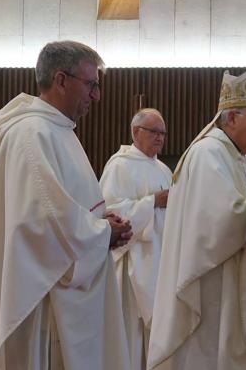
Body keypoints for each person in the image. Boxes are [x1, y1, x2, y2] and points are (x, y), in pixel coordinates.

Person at [0, 41, 132, 370]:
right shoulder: (32, 132)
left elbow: (60, 207)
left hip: (61, 289)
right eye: (91, 84)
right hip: (43, 302)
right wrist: (100, 231)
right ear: (61, 80)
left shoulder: (56, 129)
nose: (96, 95)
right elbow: (38, 222)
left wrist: (98, 221)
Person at [147, 68, 246, 370]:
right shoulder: (209, 153)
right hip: (214, 285)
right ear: (231, 118)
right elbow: (224, 219)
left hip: (230, 275)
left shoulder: (232, 156)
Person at [99, 108, 172, 370]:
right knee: (132, 335)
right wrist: (153, 201)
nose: (160, 138)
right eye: (154, 132)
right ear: (135, 132)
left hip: (161, 260)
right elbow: (111, 214)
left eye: (163, 133)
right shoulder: (119, 165)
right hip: (134, 264)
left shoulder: (163, 169)